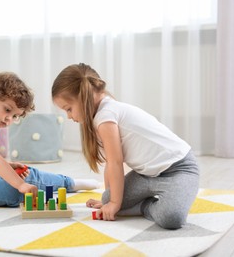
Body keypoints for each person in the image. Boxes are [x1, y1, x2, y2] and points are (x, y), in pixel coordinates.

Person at [51, 63, 199, 229]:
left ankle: (146, 207)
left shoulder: (106, 116)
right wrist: (108, 200)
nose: (69, 116)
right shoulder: (102, 113)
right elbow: (110, 163)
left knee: (171, 218)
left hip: (179, 169)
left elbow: (116, 162)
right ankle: (147, 203)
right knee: (109, 199)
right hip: (147, 176)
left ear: (84, 97)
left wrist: (115, 203)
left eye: (69, 109)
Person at [0, 72, 99, 207]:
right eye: (7, 110)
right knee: (18, 188)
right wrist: (20, 185)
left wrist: (9, 166)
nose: (9, 119)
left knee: (26, 173)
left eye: (15, 116)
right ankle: (63, 187)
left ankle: (68, 183)